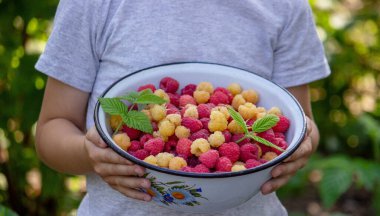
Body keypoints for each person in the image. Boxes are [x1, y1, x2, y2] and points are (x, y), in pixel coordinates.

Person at [35, 0, 330, 215]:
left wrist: (300, 147)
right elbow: (52, 129)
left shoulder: (285, 7)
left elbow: (301, 125)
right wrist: (89, 153)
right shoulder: (92, 5)